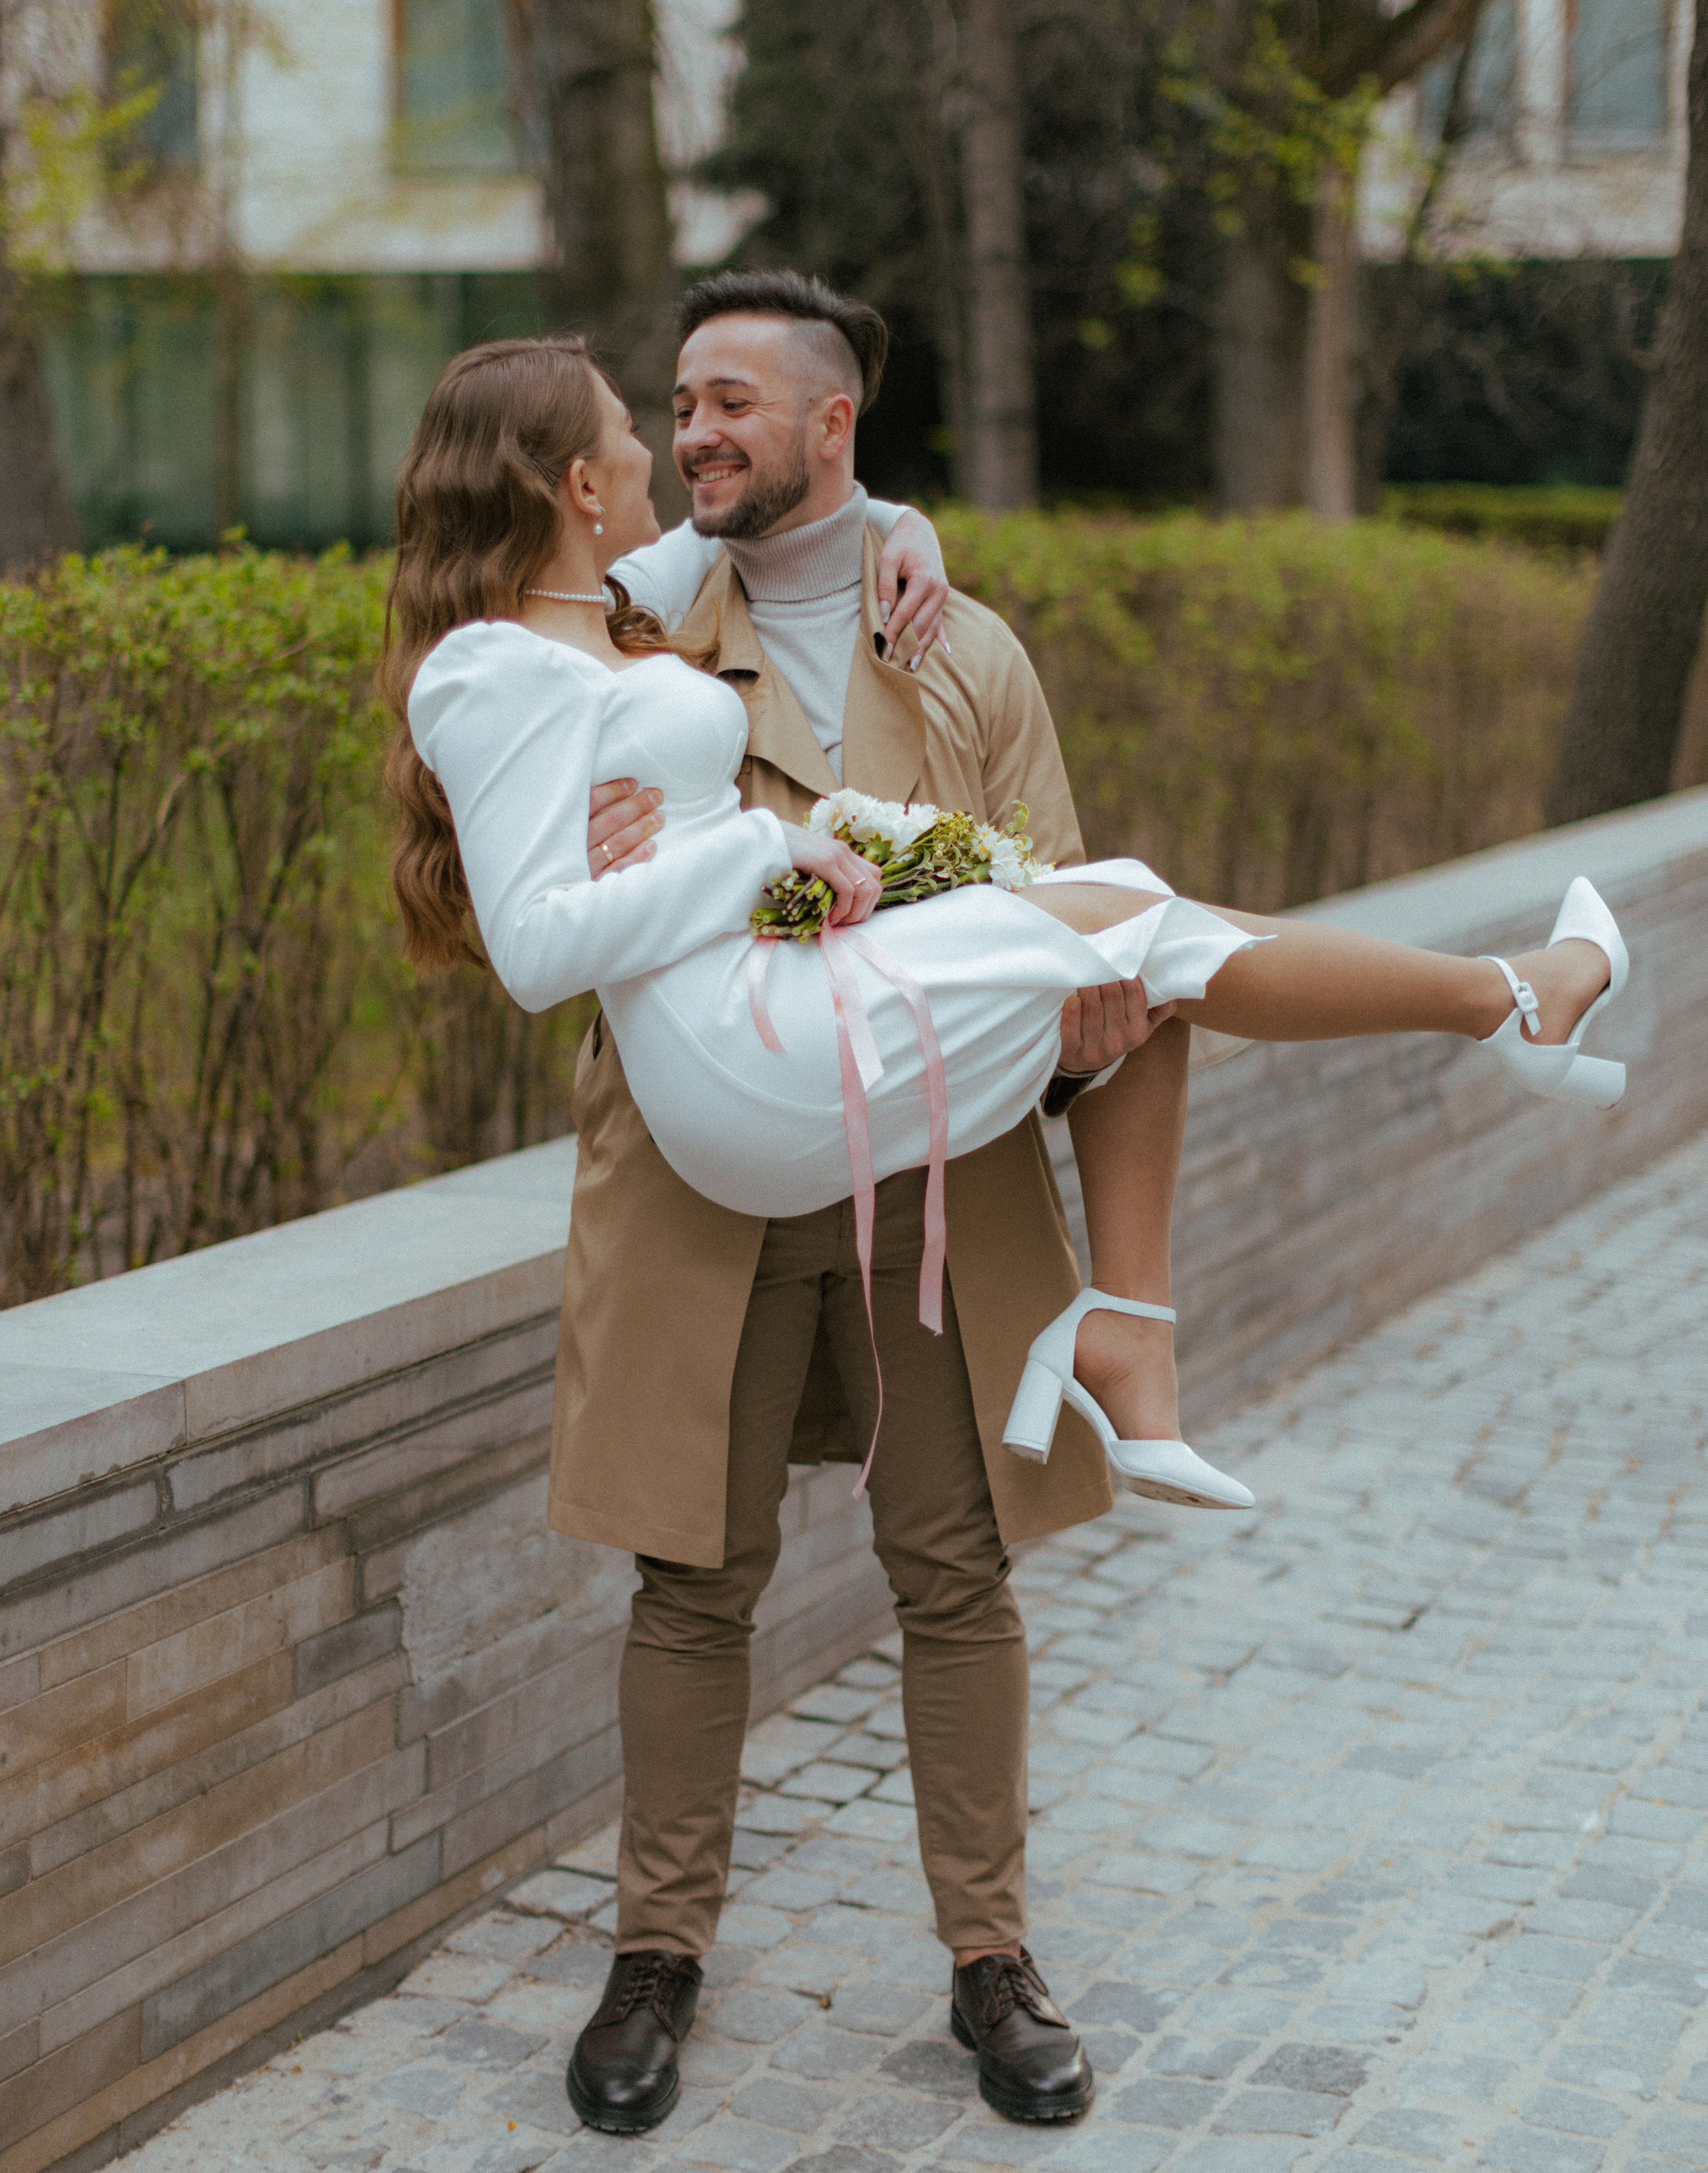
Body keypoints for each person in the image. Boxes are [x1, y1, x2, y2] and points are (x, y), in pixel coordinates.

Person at [383, 304, 1627, 2136]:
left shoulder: (964, 654)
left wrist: (1088, 1038)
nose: (692, 431)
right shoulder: (636, 621)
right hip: (702, 1178)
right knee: (692, 1579)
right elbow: (546, 849)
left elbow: (1058, 912)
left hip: (934, 1182)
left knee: (954, 1571)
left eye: (731, 404)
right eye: (673, 409)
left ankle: (992, 1956)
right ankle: (655, 1959)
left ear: (837, 419)